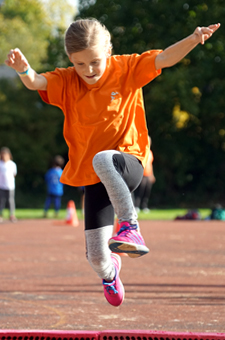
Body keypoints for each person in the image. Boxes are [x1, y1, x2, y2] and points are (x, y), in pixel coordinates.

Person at [5, 19, 220, 307]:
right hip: (94, 176)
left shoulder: (127, 68)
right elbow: (37, 82)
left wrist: (194, 38)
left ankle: (131, 225)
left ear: (108, 50)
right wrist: (23, 69)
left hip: (127, 160)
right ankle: (111, 273)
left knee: (103, 158)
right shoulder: (68, 81)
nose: (88, 71)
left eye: (94, 62)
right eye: (80, 64)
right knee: (95, 255)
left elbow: (165, 57)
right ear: (71, 60)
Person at [134, 136, 156, 213]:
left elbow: (151, 164)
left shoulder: (150, 153)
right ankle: (136, 206)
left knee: (147, 191)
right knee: (139, 191)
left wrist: (152, 175)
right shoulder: (140, 151)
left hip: (148, 175)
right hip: (141, 175)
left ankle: (144, 206)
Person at [0, 147, 17, 223]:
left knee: (10, 201)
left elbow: (14, 174)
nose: (4, 156)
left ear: (9, 155)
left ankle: (12, 215)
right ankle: (0, 215)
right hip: (1, 186)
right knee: (1, 201)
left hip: (10, 186)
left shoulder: (12, 164)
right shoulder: (0, 164)